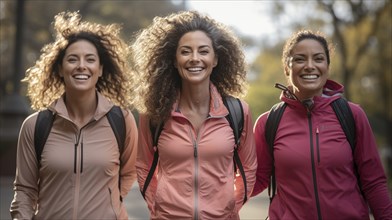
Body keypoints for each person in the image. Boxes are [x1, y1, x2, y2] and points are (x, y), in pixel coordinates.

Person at [10, 11, 138, 219]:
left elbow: (129, 172)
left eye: (90, 59)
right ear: (60, 69)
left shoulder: (121, 121)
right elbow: (25, 189)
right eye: (72, 59)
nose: (81, 66)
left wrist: (111, 206)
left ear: (100, 68)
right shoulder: (36, 126)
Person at [252, 29, 392, 219]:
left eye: (318, 59)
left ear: (327, 66)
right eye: (300, 59)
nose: (310, 66)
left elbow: (373, 183)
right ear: (287, 67)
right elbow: (256, 180)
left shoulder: (352, 115)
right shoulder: (268, 122)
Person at [132, 10, 257, 220]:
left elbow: (248, 168)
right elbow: (144, 165)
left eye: (203, 51)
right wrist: (159, 207)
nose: (195, 58)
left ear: (215, 59)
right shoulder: (155, 112)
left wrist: (229, 208)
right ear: (174, 60)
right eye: (186, 51)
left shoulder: (236, 112)